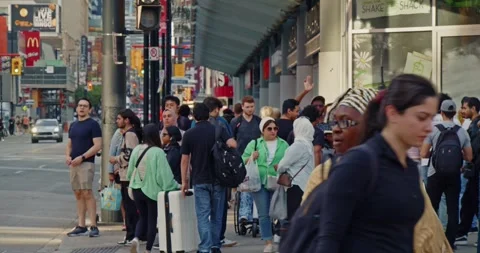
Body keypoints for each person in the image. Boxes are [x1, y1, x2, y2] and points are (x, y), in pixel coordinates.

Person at [299, 86, 452, 253]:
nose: (336, 128)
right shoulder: (323, 175)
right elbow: (308, 233)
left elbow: (427, 235)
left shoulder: (400, 173)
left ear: (373, 128)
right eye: (335, 121)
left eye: (346, 122)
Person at [180, 103, 236, 253]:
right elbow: (233, 144)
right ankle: (215, 246)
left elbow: (185, 160)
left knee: (203, 215)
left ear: (194, 116)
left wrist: (184, 182)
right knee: (217, 215)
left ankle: (205, 247)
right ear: (208, 115)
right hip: (219, 179)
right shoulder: (218, 130)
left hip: (200, 179)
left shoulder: (189, 134)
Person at [421, 100, 472, 248]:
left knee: (432, 208)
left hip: (434, 174)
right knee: (453, 209)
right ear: (454, 113)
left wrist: (436, 153)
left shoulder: (433, 130)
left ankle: (432, 241)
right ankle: (449, 243)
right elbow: (469, 157)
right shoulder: (461, 131)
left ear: (441, 113)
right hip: (454, 175)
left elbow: (423, 154)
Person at [128, 123, 179, 253]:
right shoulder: (158, 152)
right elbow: (164, 176)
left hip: (136, 189)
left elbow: (130, 172)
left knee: (142, 217)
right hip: (151, 191)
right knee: (152, 219)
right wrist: (175, 186)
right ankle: (148, 249)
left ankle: (136, 238)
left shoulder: (137, 149)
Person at [242, 117, 289, 253]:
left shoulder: (283, 144)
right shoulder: (255, 143)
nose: (273, 131)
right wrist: (251, 157)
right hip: (260, 182)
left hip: (278, 181)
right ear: (262, 131)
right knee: (264, 214)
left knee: (281, 212)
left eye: (275, 128)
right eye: (269, 129)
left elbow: (289, 160)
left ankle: (280, 237)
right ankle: (268, 242)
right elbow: (242, 159)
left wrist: (281, 166)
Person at [66, 98, 102, 237]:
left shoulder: (93, 125)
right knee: (78, 193)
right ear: (76, 108)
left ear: (90, 109)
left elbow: (97, 145)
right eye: (80, 106)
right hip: (73, 164)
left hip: (86, 163)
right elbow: (69, 144)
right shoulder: (73, 125)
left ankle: (93, 225)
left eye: (85, 106)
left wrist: (82, 157)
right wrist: (68, 156)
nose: (82, 108)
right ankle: (81, 225)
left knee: (87, 192)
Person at [109, 109, 142, 244]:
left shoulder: (130, 135)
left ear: (126, 120)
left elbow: (130, 155)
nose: (117, 121)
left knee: (130, 207)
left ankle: (132, 235)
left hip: (128, 176)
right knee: (130, 206)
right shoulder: (130, 133)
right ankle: (132, 234)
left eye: (119, 118)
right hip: (125, 174)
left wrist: (116, 159)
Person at [277, 117, 315, 219]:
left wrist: (279, 169)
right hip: (306, 184)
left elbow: (283, 165)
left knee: (293, 216)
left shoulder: (297, 146)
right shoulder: (309, 145)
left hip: (295, 184)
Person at [456, 97, 480, 245]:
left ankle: (463, 232)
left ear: (473, 108)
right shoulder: (473, 124)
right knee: (469, 201)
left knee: (471, 201)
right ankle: (463, 232)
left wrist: (468, 161)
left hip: (475, 170)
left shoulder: (476, 125)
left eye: (465, 108)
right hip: (473, 170)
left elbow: (475, 149)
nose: (462, 111)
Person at [107, 128, 128, 233]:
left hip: (131, 170)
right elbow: (112, 151)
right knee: (123, 198)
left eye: (120, 119)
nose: (118, 121)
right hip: (119, 170)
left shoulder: (133, 132)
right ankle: (125, 221)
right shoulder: (118, 132)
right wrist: (110, 171)